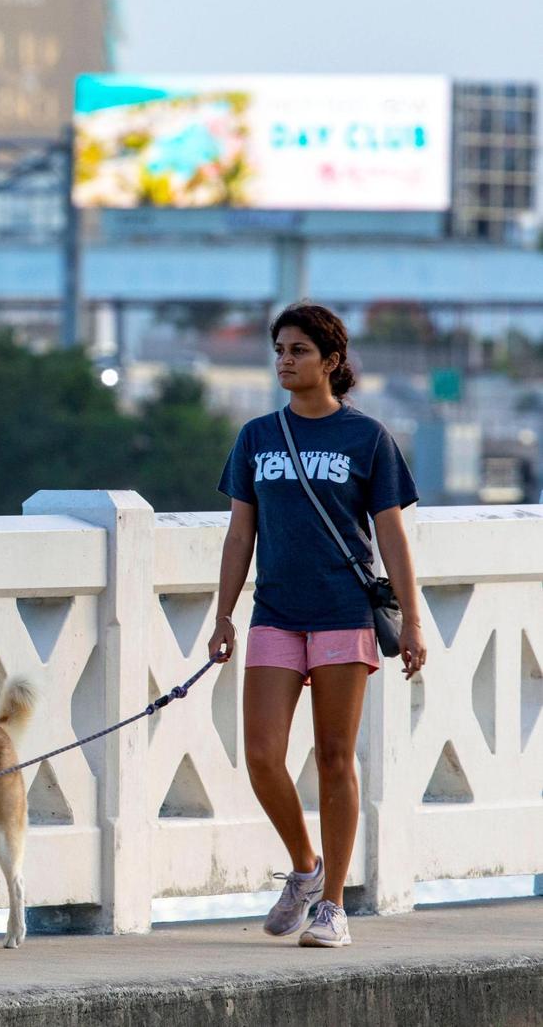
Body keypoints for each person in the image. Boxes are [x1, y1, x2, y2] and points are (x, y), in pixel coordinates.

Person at [208, 302, 426, 948]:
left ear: (332, 361)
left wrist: (412, 622)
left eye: (299, 350)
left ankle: (333, 907)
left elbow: (392, 536)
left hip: (342, 614)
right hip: (275, 613)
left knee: (334, 758)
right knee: (261, 756)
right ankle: (305, 868)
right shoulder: (256, 437)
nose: (285, 360)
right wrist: (223, 615)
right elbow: (239, 531)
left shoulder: (368, 439)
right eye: (279, 349)